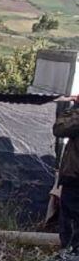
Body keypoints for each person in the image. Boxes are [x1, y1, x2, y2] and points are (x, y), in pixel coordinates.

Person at [54, 101, 79, 250]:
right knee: (70, 226)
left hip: (75, 178)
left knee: (71, 225)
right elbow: (60, 129)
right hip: (74, 179)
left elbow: (60, 128)